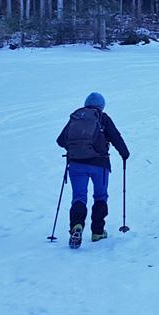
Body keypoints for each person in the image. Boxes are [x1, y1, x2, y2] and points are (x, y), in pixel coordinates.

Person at [57, 92, 129, 248]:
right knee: (100, 196)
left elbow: (61, 140)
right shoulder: (103, 118)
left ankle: (77, 226)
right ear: (101, 106)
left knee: (79, 197)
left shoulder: (77, 117)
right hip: (99, 164)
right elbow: (116, 137)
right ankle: (97, 232)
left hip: (76, 165)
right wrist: (125, 153)